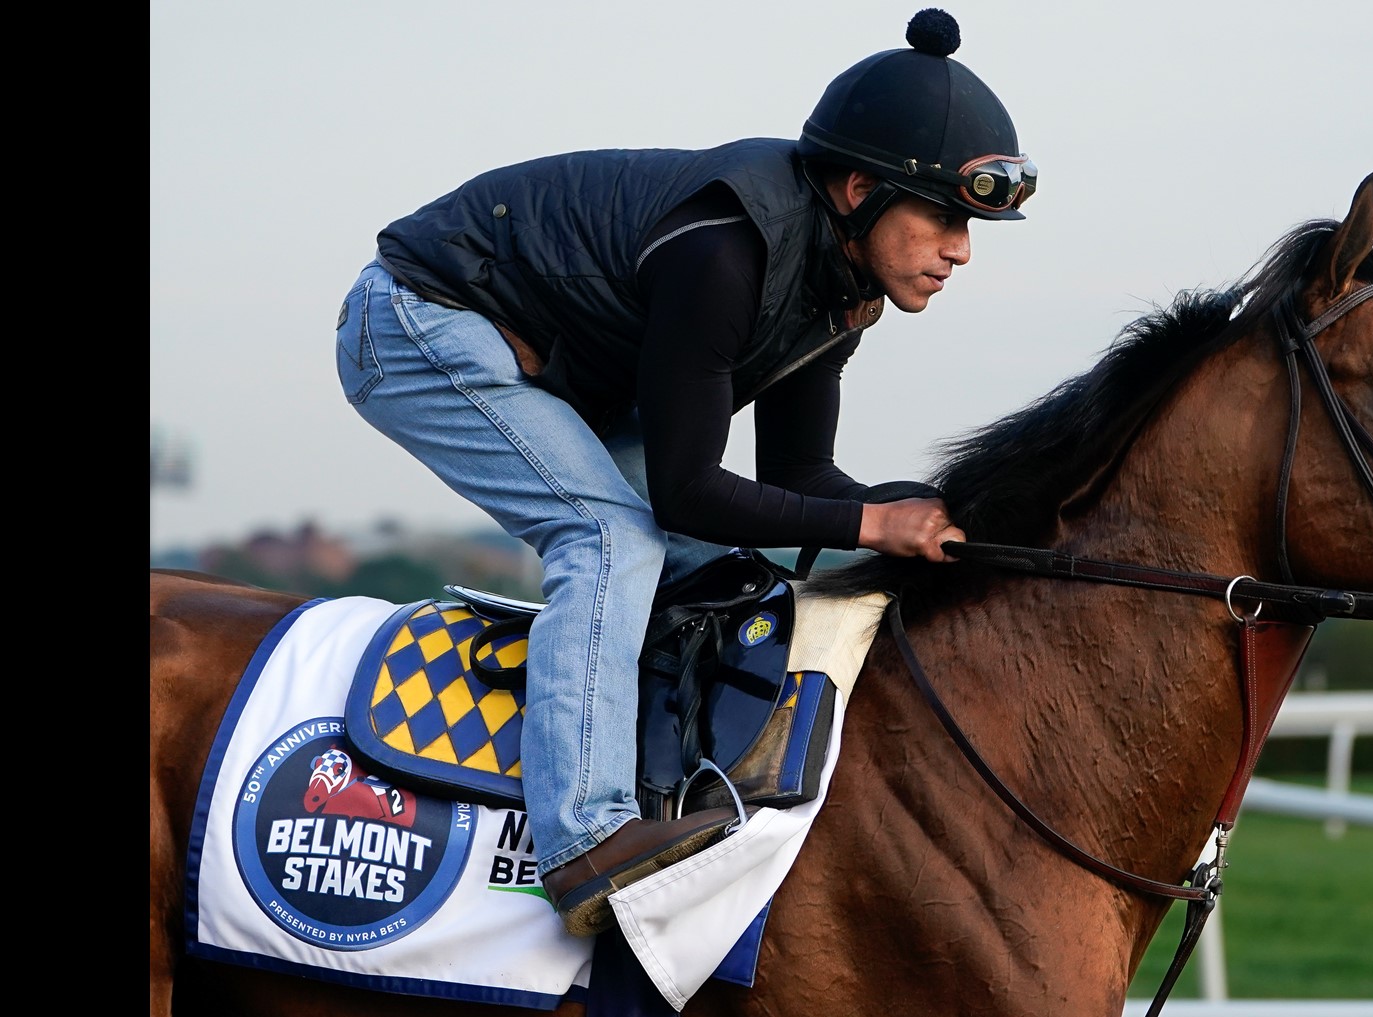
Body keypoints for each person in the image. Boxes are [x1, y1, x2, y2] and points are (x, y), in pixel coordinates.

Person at [331, 8, 1036, 938]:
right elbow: (684, 488)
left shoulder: (839, 285)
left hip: (558, 367)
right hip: (420, 321)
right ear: (862, 189)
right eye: (945, 217)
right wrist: (878, 528)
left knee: (717, 561)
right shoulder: (726, 249)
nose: (961, 251)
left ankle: (668, 776)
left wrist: (934, 512)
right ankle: (583, 840)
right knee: (609, 537)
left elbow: (801, 477)